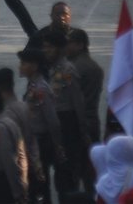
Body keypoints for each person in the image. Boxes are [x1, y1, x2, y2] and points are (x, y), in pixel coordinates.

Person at [42, 32, 88, 200]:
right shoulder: (53, 69)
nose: (45, 51)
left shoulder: (67, 71)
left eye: (49, 47)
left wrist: (82, 130)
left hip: (67, 124)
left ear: (60, 50)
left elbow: (78, 103)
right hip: (55, 124)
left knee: (66, 176)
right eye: (44, 47)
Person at [18, 47, 65, 204]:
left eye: (24, 63)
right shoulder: (32, 86)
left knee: (39, 185)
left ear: (35, 66)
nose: (21, 67)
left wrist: (57, 145)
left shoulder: (41, 89)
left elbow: (52, 120)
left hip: (40, 143)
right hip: (32, 141)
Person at [0, 67, 42, 191]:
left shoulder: (6, 115)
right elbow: (32, 137)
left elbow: (7, 152)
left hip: (14, 171)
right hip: (29, 164)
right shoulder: (24, 106)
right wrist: (36, 162)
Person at [65, 28, 103, 145]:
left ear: (80, 45)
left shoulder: (73, 68)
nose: (65, 47)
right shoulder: (94, 67)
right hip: (91, 122)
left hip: (77, 124)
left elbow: (73, 100)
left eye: (68, 43)